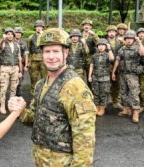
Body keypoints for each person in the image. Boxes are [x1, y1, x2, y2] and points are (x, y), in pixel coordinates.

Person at [17, 28, 96, 166]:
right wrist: (20, 111)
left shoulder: (75, 88)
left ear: (66, 52)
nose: (51, 56)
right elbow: (37, 120)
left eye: (56, 51)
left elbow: (84, 138)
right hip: (41, 159)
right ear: (41, 54)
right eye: (47, 51)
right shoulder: (41, 84)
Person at [112, 30, 144, 123]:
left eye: (131, 39)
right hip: (123, 73)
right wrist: (113, 72)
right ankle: (126, 109)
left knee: (134, 93)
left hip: (132, 74)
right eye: (127, 39)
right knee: (123, 92)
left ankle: (135, 111)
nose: (129, 40)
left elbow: (143, 54)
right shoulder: (122, 49)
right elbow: (117, 60)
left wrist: (139, 42)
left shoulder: (137, 48)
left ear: (134, 40)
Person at [0, 27, 23, 115]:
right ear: (6, 35)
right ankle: (2, 105)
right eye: (8, 34)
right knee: (3, 88)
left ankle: (11, 106)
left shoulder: (17, 45)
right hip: (5, 68)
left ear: (13, 35)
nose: (10, 36)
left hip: (15, 68)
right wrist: (2, 40)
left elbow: (19, 58)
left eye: (11, 34)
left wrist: (20, 71)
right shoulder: (3, 43)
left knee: (13, 89)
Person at [88, 38, 112, 116]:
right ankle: (96, 107)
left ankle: (102, 108)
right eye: (99, 45)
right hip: (95, 77)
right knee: (96, 93)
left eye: (103, 45)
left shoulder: (108, 54)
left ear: (105, 46)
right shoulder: (95, 55)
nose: (101, 47)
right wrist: (89, 76)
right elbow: (92, 65)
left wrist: (109, 49)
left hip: (105, 78)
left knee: (103, 93)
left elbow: (112, 59)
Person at [105, 25, 124, 111]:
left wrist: (123, 42)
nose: (111, 33)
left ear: (116, 33)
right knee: (106, 85)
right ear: (107, 33)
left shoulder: (120, 41)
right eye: (110, 32)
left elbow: (126, 49)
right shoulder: (104, 42)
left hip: (117, 65)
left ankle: (116, 101)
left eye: (113, 32)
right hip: (106, 65)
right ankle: (104, 102)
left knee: (116, 84)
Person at [27, 20, 46, 95]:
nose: (39, 28)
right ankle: (33, 95)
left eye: (40, 27)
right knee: (33, 79)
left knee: (44, 79)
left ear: (42, 28)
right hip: (34, 60)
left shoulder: (45, 36)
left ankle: (43, 95)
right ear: (35, 28)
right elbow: (28, 50)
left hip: (43, 60)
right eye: (37, 27)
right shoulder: (31, 37)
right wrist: (28, 60)